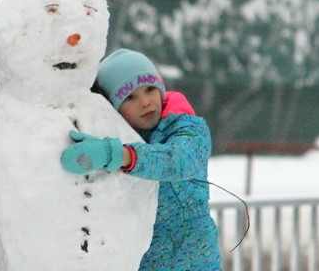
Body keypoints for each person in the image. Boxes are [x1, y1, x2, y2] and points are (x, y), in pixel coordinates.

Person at [60, 48, 221, 270]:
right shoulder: (118, 137)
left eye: (149, 89)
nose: (145, 102)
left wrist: (118, 154)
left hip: (194, 260)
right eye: (129, 97)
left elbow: (177, 161)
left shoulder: (189, 129)